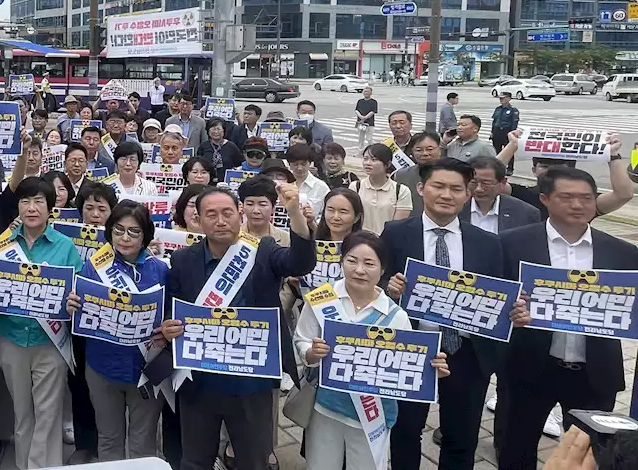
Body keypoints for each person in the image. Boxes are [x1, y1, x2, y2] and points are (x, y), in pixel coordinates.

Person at [382, 158, 529, 470]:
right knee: (405, 433)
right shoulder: (395, 233)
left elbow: (500, 294)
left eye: (456, 189)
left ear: (467, 194)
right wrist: (389, 287)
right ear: (422, 188)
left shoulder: (488, 243)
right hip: (410, 349)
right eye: (438, 186)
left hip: (466, 352)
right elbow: (377, 280)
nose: (446, 194)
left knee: (461, 439)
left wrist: (514, 308)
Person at [161, 185, 315, 470]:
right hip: (199, 380)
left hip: (251, 382)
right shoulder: (183, 260)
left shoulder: (263, 250)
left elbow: (300, 262)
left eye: (227, 213)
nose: (220, 221)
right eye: (211, 214)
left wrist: (295, 213)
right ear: (199, 219)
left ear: (239, 214)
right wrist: (169, 329)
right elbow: (173, 308)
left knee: (253, 460)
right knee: (195, 459)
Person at [496, 166, 638, 470]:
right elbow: (494, 300)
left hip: (595, 372)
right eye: (567, 197)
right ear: (544, 198)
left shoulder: (623, 253)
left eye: (586, 198)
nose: (578, 205)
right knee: (515, 445)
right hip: (530, 367)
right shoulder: (510, 244)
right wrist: (511, 312)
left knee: (590, 452)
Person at [296, 232, 448, 469]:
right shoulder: (321, 299)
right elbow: (302, 339)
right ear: (341, 261)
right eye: (352, 260)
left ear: (382, 268)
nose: (359, 270)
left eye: (369, 263)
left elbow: (409, 369)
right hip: (325, 407)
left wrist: (429, 373)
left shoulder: (396, 316)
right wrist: (312, 353)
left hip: (372, 416)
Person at [0, 177, 83, 470]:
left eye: (39, 202)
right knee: (22, 415)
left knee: (48, 414)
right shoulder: (3, 245)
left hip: (50, 341)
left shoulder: (66, 247)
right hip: (10, 338)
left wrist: (75, 301)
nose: (31, 208)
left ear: (51, 209)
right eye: (25, 201)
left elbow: (79, 291)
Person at [69, 200, 167, 461]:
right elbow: (80, 310)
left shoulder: (161, 270)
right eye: (118, 230)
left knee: (142, 442)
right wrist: (71, 305)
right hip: (102, 367)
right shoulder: (93, 267)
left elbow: (171, 316)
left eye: (134, 231)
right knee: (109, 438)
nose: (125, 238)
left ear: (146, 235)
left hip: (146, 369)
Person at [496, 131, 633, 220]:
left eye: (559, 167)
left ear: (571, 169)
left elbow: (623, 195)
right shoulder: (524, 195)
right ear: (534, 170)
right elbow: (491, 177)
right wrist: (512, 146)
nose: (551, 171)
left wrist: (613, 156)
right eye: (544, 166)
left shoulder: (582, 201)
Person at [464, 156, 541, 234]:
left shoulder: (525, 213)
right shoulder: (456, 207)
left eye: (486, 183)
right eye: (473, 183)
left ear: (503, 183)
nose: (478, 189)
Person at [353, 144, 411, 233]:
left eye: (374, 160)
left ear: (387, 164)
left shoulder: (401, 191)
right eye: (365, 158)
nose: (368, 163)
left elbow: (397, 227)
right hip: (359, 241)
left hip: (387, 242)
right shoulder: (356, 187)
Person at [394, 131, 443, 213]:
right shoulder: (401, 175)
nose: (425, 153)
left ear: (439, 149)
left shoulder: (452, 174)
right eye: (419, 150)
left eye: (429, 149)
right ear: (412, 152)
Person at [284, 145, 330, 221]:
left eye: (303, 164)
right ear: (289, 164)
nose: (299, 168)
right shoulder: (283, 184)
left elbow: (325, 215)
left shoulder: (321, 187)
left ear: (310, 163)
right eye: (295, 164)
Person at [491, 92, 520, 171]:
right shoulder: (498, 109)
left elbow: (514, 123)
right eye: (500, 98)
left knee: (509, 150)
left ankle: (510, 168)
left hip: (507, 132)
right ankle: (497, 167)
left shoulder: (513, 110)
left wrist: (512, 134)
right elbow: (494, 121)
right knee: (497, 150)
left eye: (503, 98)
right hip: (497, 131)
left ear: (509, 99)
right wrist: (492, 132)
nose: (501, 100)